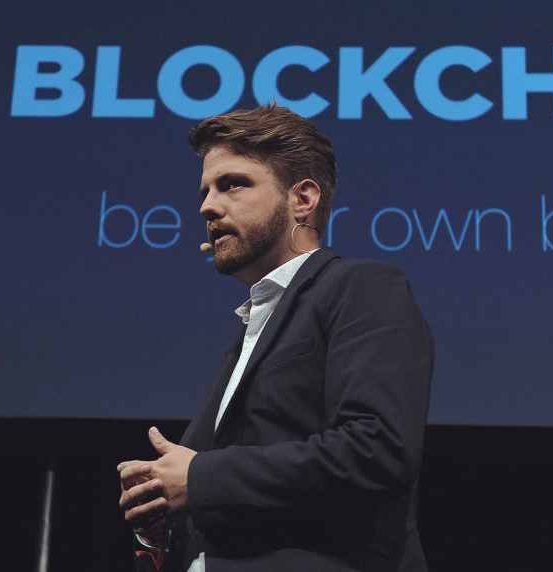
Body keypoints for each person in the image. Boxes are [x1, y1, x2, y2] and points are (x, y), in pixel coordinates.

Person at [116, 104, 434, 571]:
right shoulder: (252, 327)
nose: (207, 206)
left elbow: (377, 451)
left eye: (233, 184)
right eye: (205, 190)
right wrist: (167, 518)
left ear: (302, 199)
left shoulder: (362, 287)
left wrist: (200, 478)